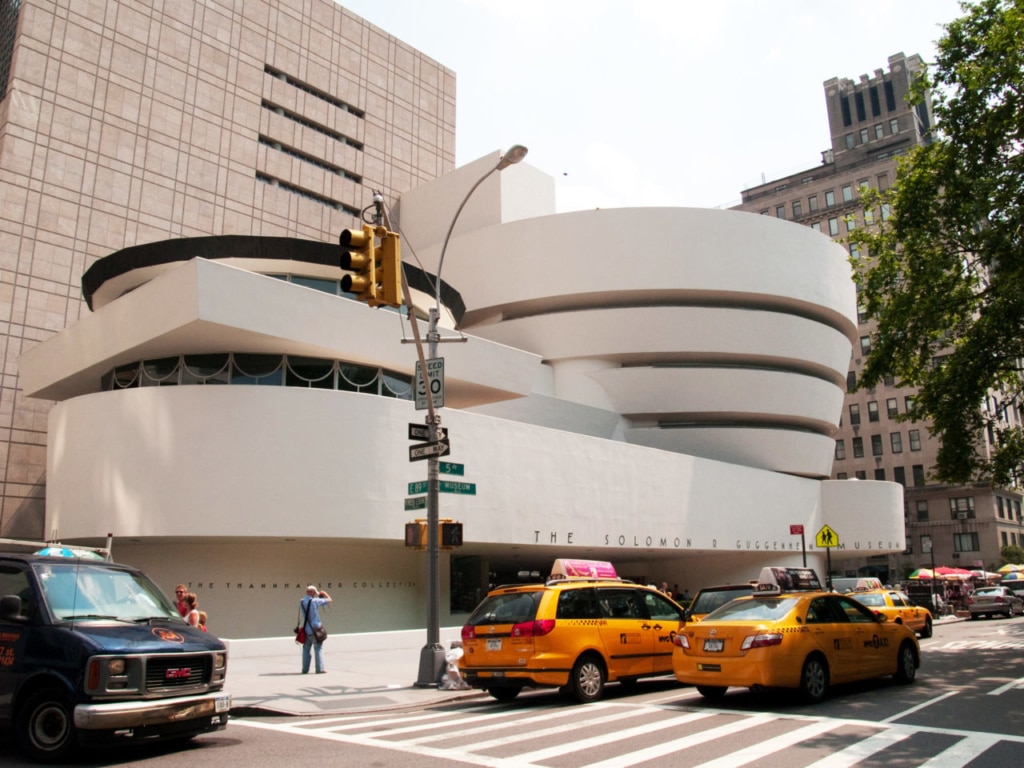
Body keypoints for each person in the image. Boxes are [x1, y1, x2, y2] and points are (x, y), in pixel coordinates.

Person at [299, 585, 332, 674]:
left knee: (306, 649)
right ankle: (319, 669)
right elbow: (329, 600)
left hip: (306, 629)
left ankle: (305, 669)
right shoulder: (315, 601)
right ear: (313, 592)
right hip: (316, 629)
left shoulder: (301, 601)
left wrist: (316, 593)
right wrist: (323, 593)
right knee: (318, 648)